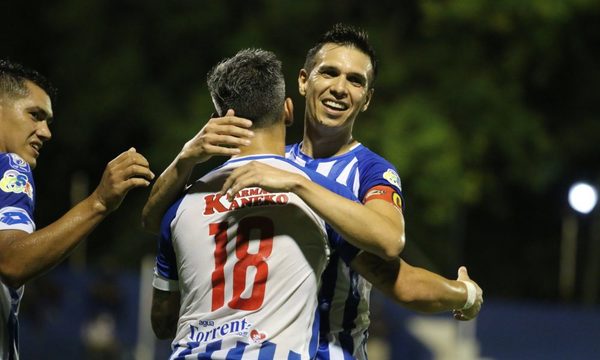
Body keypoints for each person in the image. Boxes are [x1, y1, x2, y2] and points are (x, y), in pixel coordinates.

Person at [143, 25, 483, 360]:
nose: (340, 88)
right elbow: (160, 221)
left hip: (335, 351)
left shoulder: (369, 171)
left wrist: (462, 293)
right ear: (304, 82)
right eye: (330, 73)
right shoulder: (269, 160)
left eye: (355, 80)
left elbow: (391, 245)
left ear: (367, 99)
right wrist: (184, 160)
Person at [150, 48, 373, 359]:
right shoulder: (321, 194)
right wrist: (463, 293)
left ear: (219, 121)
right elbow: (394, 274)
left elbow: (162, 322)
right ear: (288, 110)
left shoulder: (178, 207)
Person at [0, 59, 155, 359]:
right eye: (35, 115)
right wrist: (99, 201)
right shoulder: (10, 166)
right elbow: (12, 261)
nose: (45, 132)